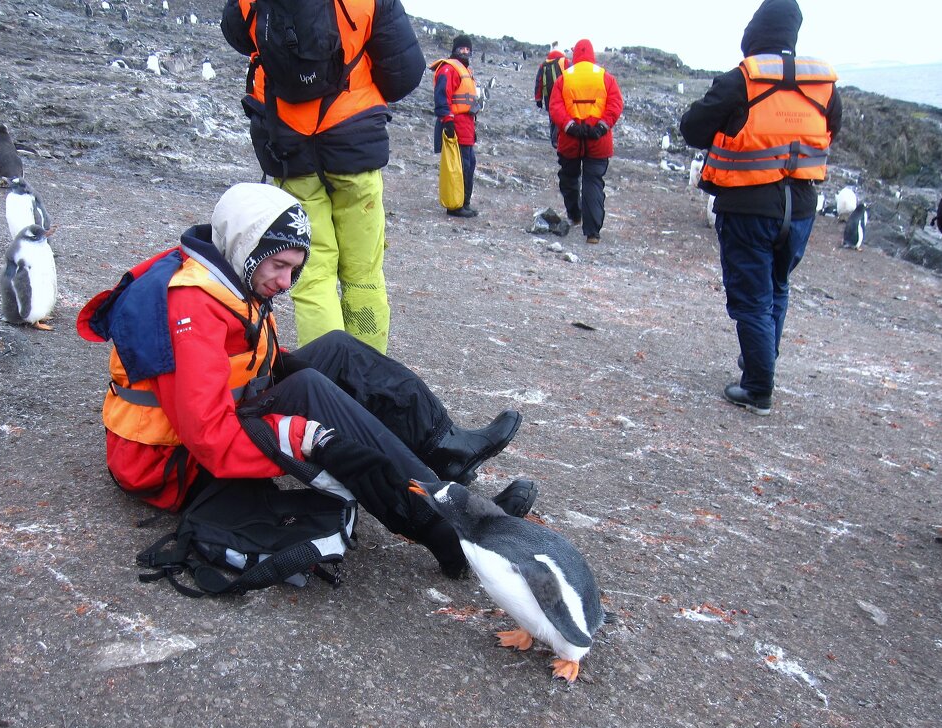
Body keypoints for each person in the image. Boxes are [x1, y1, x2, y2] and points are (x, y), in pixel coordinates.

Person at [77, 183, 537, 579]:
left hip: (210, 423)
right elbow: (211, 441)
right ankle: (449, 530)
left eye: (294, 268)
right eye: (277, 265)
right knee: (309, 390)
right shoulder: (191, 308)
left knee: (335, 348)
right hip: (172, 466)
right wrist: (306, 436)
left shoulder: (227, 271)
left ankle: (445, 449)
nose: (285, 281)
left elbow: (244, 364)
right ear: (247, 245)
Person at [220, 0, 425, 355]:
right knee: (363, 276)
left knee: (313, 278)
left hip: (290, 149)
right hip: (355, 146)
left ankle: (331, 376)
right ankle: (368, 375)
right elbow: (404, 73)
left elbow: (239, 37)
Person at [679, 0, 841, 416]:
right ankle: (761, 358)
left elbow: (693, 128)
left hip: (749, 206)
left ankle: (757, 387)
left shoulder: (743, 80)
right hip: (801, 206)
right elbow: (831, 130)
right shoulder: (822, 85)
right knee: (778, 287)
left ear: (753, 33)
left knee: (751, 297)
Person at [547, 39, 624, 243]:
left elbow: (555, 106)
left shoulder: (564, 79)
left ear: (575, 56)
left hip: (570, 140)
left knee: (569, 179)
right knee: (593, 183)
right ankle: (593, 233)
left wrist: (570, 125)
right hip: (598, 141)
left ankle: (575, 214)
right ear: (592, 55)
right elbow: (615, 105)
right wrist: (601, 126)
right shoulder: (606, 78)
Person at [432, 35, 479, 219]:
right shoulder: (449, 69)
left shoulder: (465, 70)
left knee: (469, 164)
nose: (465, 52)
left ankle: (464, 203)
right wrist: (447, 120)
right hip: (456, 124)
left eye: (468, 49)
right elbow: (442, 96)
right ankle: (456, 205)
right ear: (455, 49)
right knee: (459, 166)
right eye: (462, 49)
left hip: (467, 125)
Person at [534, 46, 568, 148]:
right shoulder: (564, 61)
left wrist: (538, 99)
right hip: (562, 94)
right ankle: (557, 140)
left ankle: (554, 139)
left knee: (552, 117)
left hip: (548, 96)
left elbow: (538, 82)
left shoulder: (543, 64)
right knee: (561, 116)